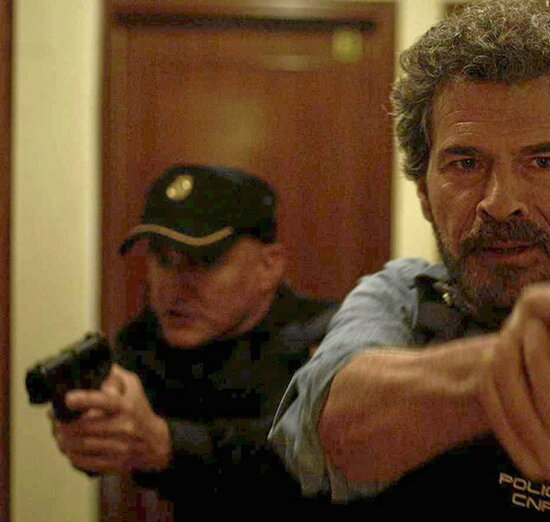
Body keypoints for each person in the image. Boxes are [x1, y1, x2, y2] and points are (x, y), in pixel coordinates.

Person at [269, 1, 550, 519]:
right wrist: (527, 369)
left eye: (541, 161)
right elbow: (329, 431)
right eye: (465, 163)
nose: (501, 201)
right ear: (423, 194)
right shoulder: (398, 296)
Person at [51, 164, 338, 519]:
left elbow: (303, 458)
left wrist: (167, 445)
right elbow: (120, 439)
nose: (175, 286)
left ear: (268, 266)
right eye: (162, 259)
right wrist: (92, 434)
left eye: (204, 262)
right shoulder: (145, 343)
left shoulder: (329, 340)